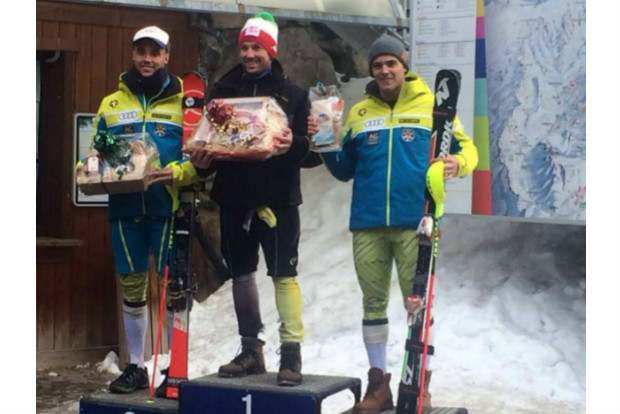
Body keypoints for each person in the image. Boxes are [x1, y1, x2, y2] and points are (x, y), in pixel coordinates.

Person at [308, 33, 478, 413]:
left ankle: (421, 383)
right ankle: (378, 383)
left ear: (404, 65)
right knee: (372, 303)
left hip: (416, 222)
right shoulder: (359, 112)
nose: (384, 70)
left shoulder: (431, 105)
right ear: (371, 70)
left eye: (391, 63)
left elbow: (467, 149)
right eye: (377, 65)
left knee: (418, 305)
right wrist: (324, 143)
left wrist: (457, 163)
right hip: (367, 223)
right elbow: (344, 171)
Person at [188, 11, 320, 386]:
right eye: (244, 46)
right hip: (233, 195)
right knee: (242, 274)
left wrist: (293, 143)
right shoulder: (221, 92)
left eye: (256, 47)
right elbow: (207, 148)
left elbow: (313, 155)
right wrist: (200, 160)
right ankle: (251, 350)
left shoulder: (294, 95)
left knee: (283, 273)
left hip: (278, 198)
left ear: (271, 50)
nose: (249, 54)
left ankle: (291, 353)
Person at [91, 25, 200, 394]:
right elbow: (99, 153)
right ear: (133, 54)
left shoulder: (186, 102)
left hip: (169, 206)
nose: (148, 59)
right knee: (133, 287)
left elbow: (199, 159)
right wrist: (94, 163)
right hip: (124, 208)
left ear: (167, 56)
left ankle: (175, 368)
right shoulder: (111, 103)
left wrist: (175, 174)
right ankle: (136, 366)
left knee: (175, 290)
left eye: (155, 53)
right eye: (142, 52)